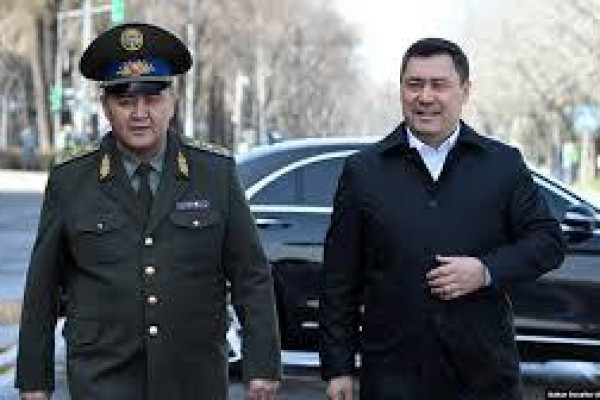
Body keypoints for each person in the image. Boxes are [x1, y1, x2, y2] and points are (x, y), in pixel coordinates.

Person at [16, 23, 281, 400]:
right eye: (125, 101)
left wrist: (262, 364)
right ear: (106, 107)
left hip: (193, 377)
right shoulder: (70, 180)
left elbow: (251, 274)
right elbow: (42, 288)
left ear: (171, 103)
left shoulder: (215, 173)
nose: (140, 113)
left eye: (152, 99)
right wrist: (34, 380)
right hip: (102, 378)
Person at [319, 37, 565, 399]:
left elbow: (548, 241)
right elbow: (339, 277)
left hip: (484, 377)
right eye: (414, 84)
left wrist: (485, 271)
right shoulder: (364, 171)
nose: (425, 96)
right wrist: (337, 367)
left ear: (465, 91)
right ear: (401, 90)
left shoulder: (502, 164)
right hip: (393, 377)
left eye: (439, 85)